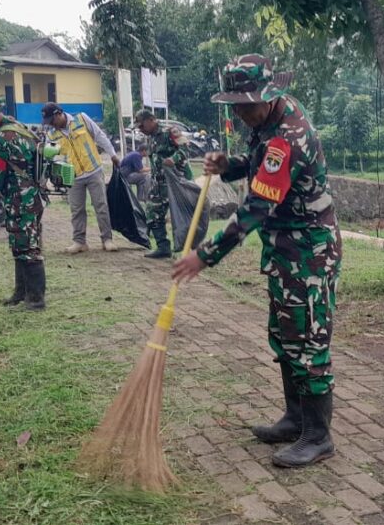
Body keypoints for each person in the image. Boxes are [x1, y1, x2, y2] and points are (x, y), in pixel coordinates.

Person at [172, 54, 341, 469]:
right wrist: (228, 165)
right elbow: (258, 165)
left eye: (246, 105)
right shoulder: (269, 122)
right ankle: (296, 419)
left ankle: (318, 436)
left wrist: (205, 256)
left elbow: (256, 208)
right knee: (284, 334)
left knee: (307, 339)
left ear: (268, 96)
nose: (240, 114)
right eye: (235, 106)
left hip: (309, 249)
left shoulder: (287, 137)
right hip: (285, 246)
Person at [0, 95, 47, 310]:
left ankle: (36, 298)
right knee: (19, 243)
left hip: (21, 197)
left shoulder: (4, 137)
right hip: (31, 194)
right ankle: (21, 292)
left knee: (27, 245)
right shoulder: (18, 126)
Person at [41, 102, 119, 252]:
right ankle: (80, 242)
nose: (51, 125)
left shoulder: (81, 119)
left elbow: (99, 136)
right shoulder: (51, 135)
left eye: (52, 121)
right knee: (76, 209)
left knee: (101, 206)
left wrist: (113, 155)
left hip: (93, 170)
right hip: (73, 176)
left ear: (59, 114)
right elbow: (49, 158)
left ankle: (107, 239)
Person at [136, 109, 192, 259]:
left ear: (151, 120)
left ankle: (188, 249)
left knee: (182, 216)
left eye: (142, 126)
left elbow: (186, 148)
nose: (141, 130)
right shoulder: (151, 137)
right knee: (152, 213)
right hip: (159, 184)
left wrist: (173, 159)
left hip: (176, 182)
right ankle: (163, 247)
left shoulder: (170, 131)